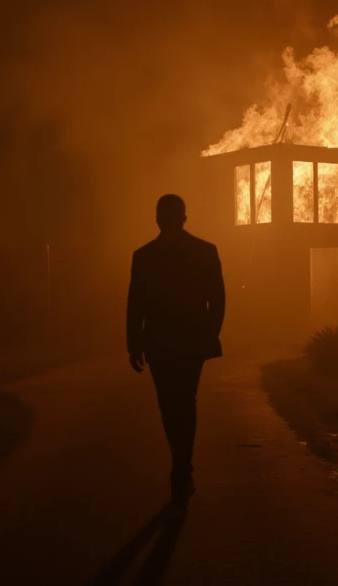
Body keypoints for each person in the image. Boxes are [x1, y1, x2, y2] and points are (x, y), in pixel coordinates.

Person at [126, 194, 225, 514]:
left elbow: (135, 305)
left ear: (159, 219)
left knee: (170, 402)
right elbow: (218, 300)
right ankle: (182, 466)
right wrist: (209, 335)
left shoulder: (144, 256)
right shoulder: (205, 251)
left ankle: (180, 466)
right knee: (185, 400)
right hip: (190, 341)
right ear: (185, 218)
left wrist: (134, 343)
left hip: (159, 341)